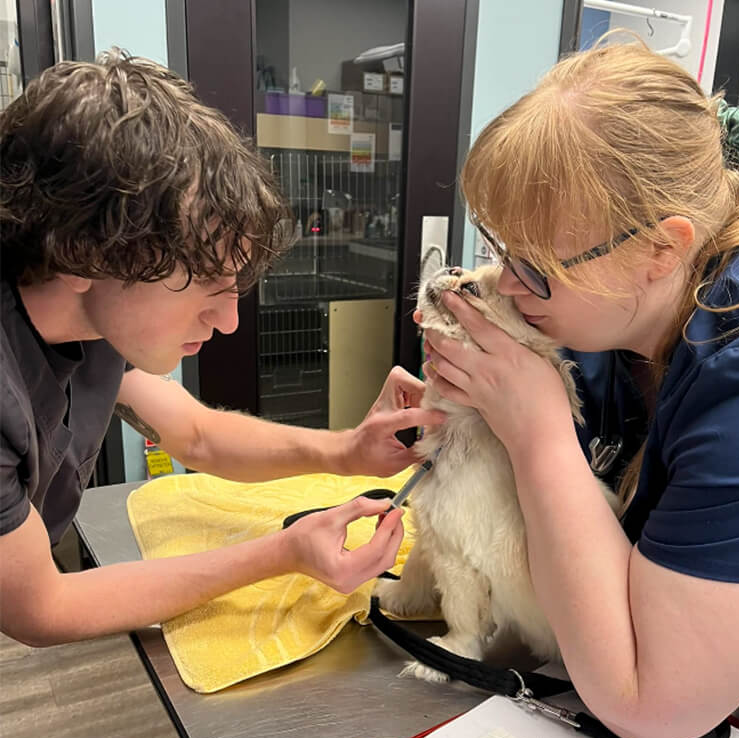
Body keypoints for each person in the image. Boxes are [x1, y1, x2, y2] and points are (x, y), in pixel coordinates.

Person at [420, 39, 739, 738]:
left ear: (662, 248)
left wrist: (535, 430)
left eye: (534, 266)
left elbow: (649, 706)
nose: (504, 284)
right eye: (501, 249)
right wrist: (469, 416)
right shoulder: (613, 322)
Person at [0, 51, 444, 647]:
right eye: (209, 287)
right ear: (86, 251)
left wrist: (348, 452)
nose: (230, 321)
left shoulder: (93, 315)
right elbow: (41, 607)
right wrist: (285, 551)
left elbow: (197, 434)